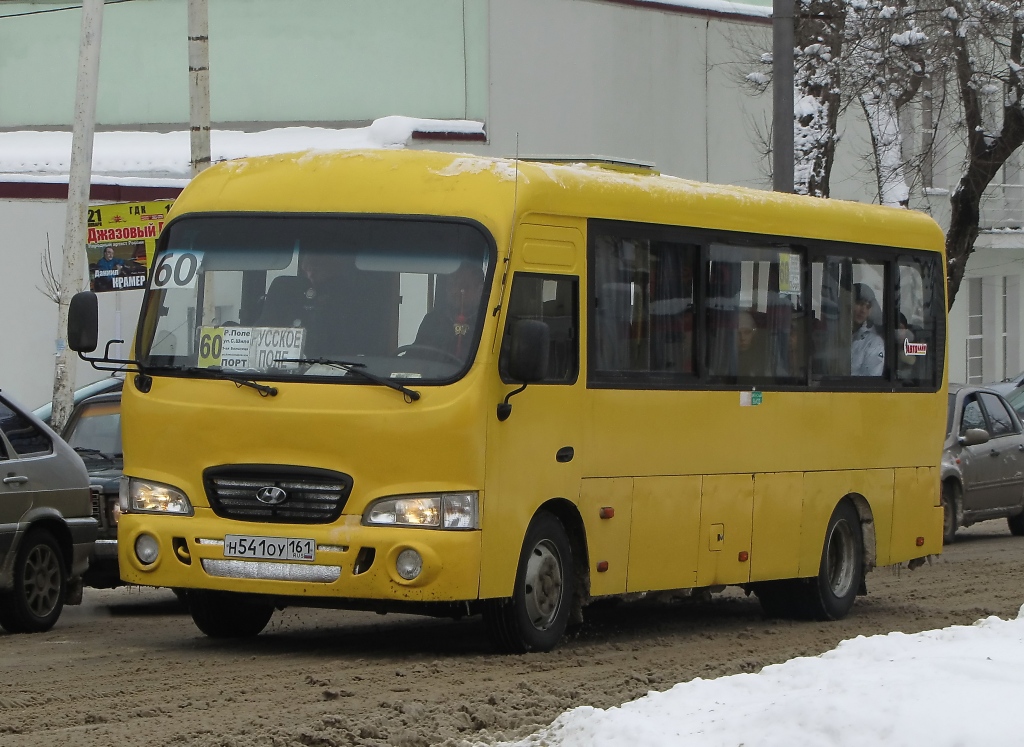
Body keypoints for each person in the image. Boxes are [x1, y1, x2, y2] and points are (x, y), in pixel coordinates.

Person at [412, 261, 486, 360]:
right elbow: (414, 356)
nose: (455, 291)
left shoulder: (487, 323)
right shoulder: (432, 321)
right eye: (452, 285)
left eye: (464, 287)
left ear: (479, 290)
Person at [851, 282, 884, 376]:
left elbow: (871, 381)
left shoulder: (874, 342)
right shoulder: (832, 336)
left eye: (868, 306)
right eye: (860, 303)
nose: (863, 310)